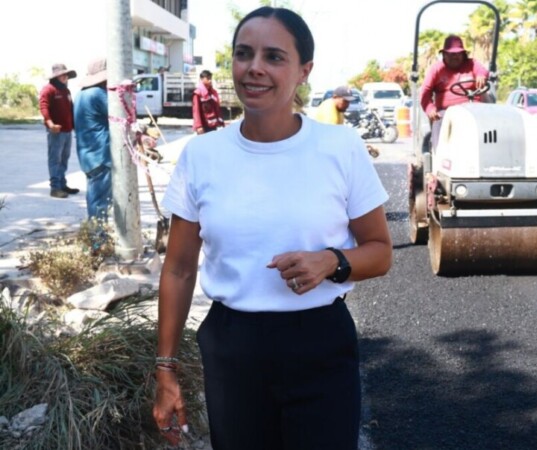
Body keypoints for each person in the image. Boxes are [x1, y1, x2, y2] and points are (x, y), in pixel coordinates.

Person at [152, 6, 392, 449]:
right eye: (244, 54)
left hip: (320, 344)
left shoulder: (339, 147)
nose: (255, 68)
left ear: (304, 70)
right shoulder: (202, 156)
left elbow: (379, 251)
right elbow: (179, 270)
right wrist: (165, 369)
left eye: (274, 57)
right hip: (232, 350)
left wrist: (331, 262)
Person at [419, 35, 489, 149]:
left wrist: (481, 75)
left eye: (458, 54)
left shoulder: (471, 64)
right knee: (438, 121)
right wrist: (430, 108)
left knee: (487, 122)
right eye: (451, 54)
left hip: (473, 109)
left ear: (463, 54)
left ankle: (485, 150)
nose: (455, 57)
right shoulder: (436, 69)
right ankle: (438, 153)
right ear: (444, 54)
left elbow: (482, 70)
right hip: (446, 112)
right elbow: (425, 92)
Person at [73, 58, 112, 222]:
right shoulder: (98, 94)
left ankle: (95, 232)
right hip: (100, 154)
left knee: (95, 197)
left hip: (88, 154)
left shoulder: (81, 94)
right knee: (100, 202)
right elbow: (120, 116)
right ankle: (98, 235)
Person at [39, 63, 80, 198]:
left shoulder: (66, 91)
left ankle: (62, 184)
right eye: (62, 74)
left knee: (64, 159)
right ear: (55, 76)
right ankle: (55, 188)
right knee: (55, 159)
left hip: (67, 131)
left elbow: (71, 109)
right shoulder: (48, 89)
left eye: (66, 74)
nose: (65, 77)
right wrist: (50, 124)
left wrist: (74, 126)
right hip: (56, 131)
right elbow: (43, 107)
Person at [192, 70, 225, 134]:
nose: (210, 81)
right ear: (201, 79)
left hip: (213, 126)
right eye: (208, 78)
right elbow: (196, 111)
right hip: (204, 126)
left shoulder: (213, 93)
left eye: (210, 78)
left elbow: (217, 109)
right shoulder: (198, 93)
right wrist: (199, 126)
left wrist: (221, 122)